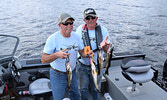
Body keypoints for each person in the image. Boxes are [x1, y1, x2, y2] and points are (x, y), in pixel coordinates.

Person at [41, 13, 91, 100]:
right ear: (59, 25)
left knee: (76, 95)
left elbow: (82, 52)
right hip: (57, 75)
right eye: (66, 23)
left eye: (71, 23)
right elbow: (43, 59)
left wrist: (88, 53)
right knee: (58, 98)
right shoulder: (53, 39)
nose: (69, 26)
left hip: (73, 72)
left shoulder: (77, 36)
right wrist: (57, 55)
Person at [76, 8, 112, 100]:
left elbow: (106, 51)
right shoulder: (80, 30)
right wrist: (87, 53)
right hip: (82, 65)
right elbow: (79, 49)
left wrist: (105, 46)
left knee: (96, 88)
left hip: (98, 66)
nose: (90, 20)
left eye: (93, 17)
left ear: (96, 18)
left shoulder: (103, 30)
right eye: (88, 18)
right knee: (83, 89)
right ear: (84, 20)